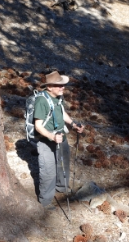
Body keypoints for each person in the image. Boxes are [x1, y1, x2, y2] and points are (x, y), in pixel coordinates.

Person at [34, 71, 84, 211]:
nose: (63, 87)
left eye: (63, 84)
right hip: (46, 142)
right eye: (59, 85)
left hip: (61, 138)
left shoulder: (58, 97)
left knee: (63, 165)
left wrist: (73, 124)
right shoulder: (41, 101)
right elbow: (38, 126)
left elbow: (62, 112)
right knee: (48, 171)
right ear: (49, 87)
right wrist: (52, 137)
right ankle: (46, 200)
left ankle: (62, 188)